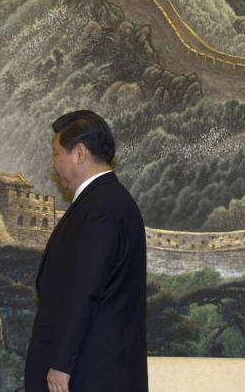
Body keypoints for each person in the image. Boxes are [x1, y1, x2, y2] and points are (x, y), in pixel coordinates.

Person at [24, 110, 148, 392]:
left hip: (86, 375)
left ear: (79, 153)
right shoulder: (107, 202)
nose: (53, 164)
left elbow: (84, 291)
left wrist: (61, 364)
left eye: (56, 154)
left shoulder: (100, 209)